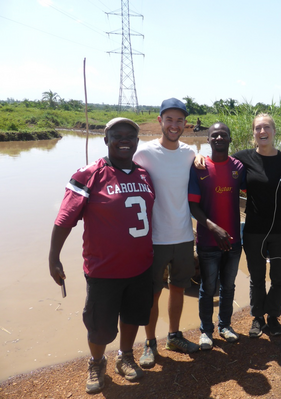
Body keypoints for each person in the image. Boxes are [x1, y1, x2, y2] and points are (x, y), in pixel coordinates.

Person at [48, 117, 155, 394]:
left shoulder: (144, 175)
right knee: (99, 326)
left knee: (132, 316)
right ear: (105, 140)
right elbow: (65, 219)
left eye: (130, 136)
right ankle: (96, 362)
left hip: (141, 266)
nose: (124, 140)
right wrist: (54, 257)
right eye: (117, 135)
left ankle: (125, 356)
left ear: (137, 142)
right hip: (103, 270)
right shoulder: (89, 174)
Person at [195, 113, 281, 337]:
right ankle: (257, 317)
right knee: (257, 277)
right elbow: (218, 159)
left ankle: (273, 316)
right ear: (253, 133)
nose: (263, 132)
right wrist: (199, 158)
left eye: (267, 127)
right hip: (253, 231)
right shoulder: (243, 158)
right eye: (258, 128)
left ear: (274, 131)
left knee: (279, 277)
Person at [133, 98, 199, 369]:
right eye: (169, 119)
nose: (174, 125)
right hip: (155, 238)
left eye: (179, 120)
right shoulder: (144, 154)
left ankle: (174, 335)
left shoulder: (190, 153)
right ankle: (149, 343)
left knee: (178, 289)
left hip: (183, 235)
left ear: (186, 124)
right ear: (160, 121)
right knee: (152, 294)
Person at [188, 122, 246, 350]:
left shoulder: (239, 167)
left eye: (223, 135)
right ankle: (206, 331)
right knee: (207, 287)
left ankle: (225, 326)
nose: (219, 138)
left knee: (229, 286)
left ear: (230, 139)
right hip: (207, 240)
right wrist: (213, 227)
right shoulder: (199, 167)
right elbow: (193, 206)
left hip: (233, 241)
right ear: (208, 139)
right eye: (215, 135)